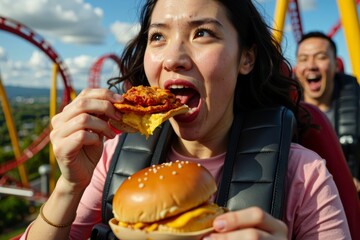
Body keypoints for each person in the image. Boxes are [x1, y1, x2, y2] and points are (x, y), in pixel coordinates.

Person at [21, 1, 351, 239]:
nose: (173, 59)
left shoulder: (304, 175)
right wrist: (69, 186)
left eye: (203, 33)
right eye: (158, 37)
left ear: (246, 58)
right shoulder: (110, 158)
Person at [294, 31, 360, 193]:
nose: (311, 65)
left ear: (336, 65)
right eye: (303, 59)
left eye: (321, 57)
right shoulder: (282, 112)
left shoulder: (356, 105)